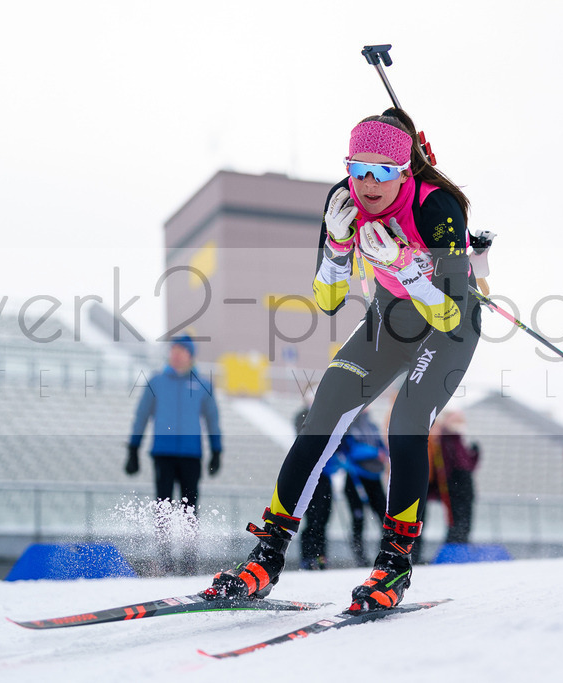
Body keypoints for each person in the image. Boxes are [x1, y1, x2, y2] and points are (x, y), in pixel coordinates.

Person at [203, 108, 480, 612]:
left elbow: (447, 313)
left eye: (383, 171)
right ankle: (268, 554)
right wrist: (335, 247)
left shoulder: (436, 206)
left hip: (450, 322)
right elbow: (329, 302)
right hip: (391, 318)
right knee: (324, 411)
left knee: (408, 420)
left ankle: (394, 562)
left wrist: (403, 267)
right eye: (358, 169)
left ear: (405, 171)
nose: (368, 183)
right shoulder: (342, 200)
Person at [125, 335, 222, 574]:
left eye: (181, 351)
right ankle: (164, 559)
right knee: (163, 507)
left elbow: (212, 419)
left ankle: (189, 561)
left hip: (191, 455)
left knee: (190, 508)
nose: (176, 354)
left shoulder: (203, 384)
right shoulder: (157, 382)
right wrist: (133, 448)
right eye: (173, 350)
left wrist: (217, 449)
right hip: (163, 454)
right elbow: (141, 415)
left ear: (190, 355)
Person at [337, 410, 389, 566]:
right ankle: (360, 556)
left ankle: (386, 553)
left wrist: (382, 454)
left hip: (373, 478)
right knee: (358, 518)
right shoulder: (350, 426)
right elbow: (352, 451)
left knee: (383, 516)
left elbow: (382, 447)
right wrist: (375, 453)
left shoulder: (372, 426)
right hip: (355, 478)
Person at [428, 410, 480, 545]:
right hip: (453, 482)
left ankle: (462, 543)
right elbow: (447, 463)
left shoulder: (458, 439)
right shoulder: (444, 438)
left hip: (464, 482)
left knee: (465, 517)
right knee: (456, 517)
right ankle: (454, 544)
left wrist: (475, 455)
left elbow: (467, 464)